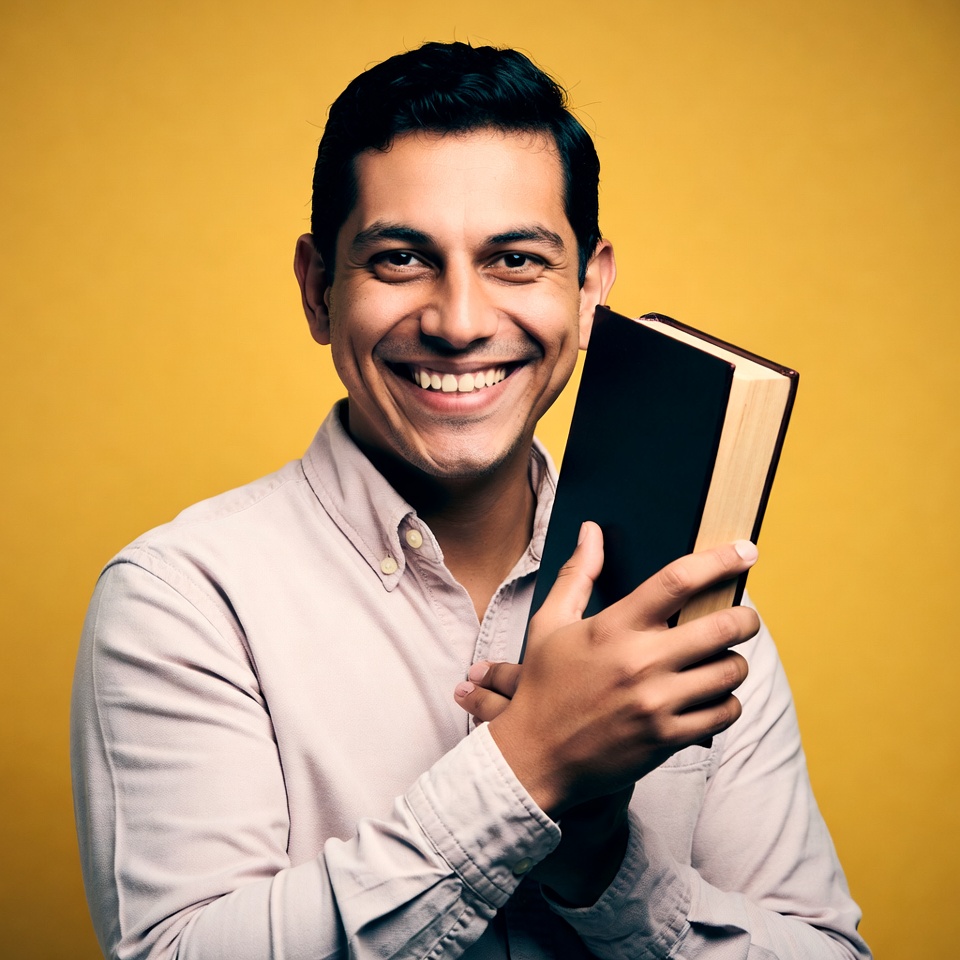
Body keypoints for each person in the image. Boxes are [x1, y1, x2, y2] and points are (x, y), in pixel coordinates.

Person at [70, 41, 870, 959]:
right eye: (401, 259)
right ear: (319, 290)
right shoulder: (183, 597)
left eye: (516, 260)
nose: (459, 322)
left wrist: (601, 862)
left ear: (590, 288)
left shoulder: (686, 605)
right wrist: (532, 764)